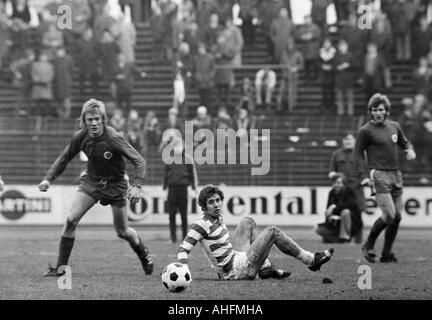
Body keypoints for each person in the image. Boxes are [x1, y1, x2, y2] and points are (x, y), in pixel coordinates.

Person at [39, 99, 154, 276]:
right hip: (91, 182)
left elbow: (139, 160)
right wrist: (48, 178)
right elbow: (64, 158)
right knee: (70, 220)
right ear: (83, 121)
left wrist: (137, 185)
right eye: (89, 119)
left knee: (122, 232)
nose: (93, 123)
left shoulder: (113, 137)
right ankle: (60, 269)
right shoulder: (80, 137)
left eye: (97, 119)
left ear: (103, 119)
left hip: (116, 185)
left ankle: (143, 254)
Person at [177, 185, 334, 280]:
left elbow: (220, 246)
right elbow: (184, 248)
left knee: (248, 221)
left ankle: (264, 269)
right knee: (272, 232)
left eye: (218, 200)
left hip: (235, 259)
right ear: (203, 207)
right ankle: (310, 260)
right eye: (211, 202)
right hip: (236, 271)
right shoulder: (200, 224)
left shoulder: (219, 217)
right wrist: (183, 269)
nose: (216, 204)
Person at [354, 93, 416, 263]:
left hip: (396, 174)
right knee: (389, 215)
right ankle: (368, 244)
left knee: (397, 217)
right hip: (378, 175)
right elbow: (358, 155)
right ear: (370, 112)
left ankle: (386, 254)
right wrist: (364, 176)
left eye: (381, 109)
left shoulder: (395, 126)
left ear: (387, 111)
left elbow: (404, 142)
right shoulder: (365, 131)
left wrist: (409, 150)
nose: (378, 113)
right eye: (375, 110)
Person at [329, 133, 366, 243]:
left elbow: (366, 170)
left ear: (354, 141)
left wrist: (364, 180)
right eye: (345, 139)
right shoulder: (337, 154)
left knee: (358, 214)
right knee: (343, 213)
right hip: (343, 190)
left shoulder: (360, 154)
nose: (347, 141)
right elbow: (332, 170)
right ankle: (344, 239)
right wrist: (332, 175)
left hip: (357, 189)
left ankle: (358, 241)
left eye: (349, 139)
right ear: (342, 141)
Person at [163, 138, 198, 244]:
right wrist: (164, 189)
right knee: (172, 215)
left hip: (183, 189)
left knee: (183, 214)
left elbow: (192, 174)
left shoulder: (188, 159)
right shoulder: (168, 159)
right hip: (172, 189)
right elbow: (166, 175)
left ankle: (184, 237)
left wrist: (193, 188)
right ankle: (172, 238)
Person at [315, 173, 363, 244]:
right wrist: (329, 215)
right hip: (337, 223)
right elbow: (329, 209)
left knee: (345, 212)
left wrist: (335, 207)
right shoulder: (331, 193)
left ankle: (345, 238)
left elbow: (351, 204)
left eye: (339, 183)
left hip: (353, 222)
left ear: (343, 183)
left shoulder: (349, 191)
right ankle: (336, 239)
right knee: (317, 229)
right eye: (335, 183)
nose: (337, 185)